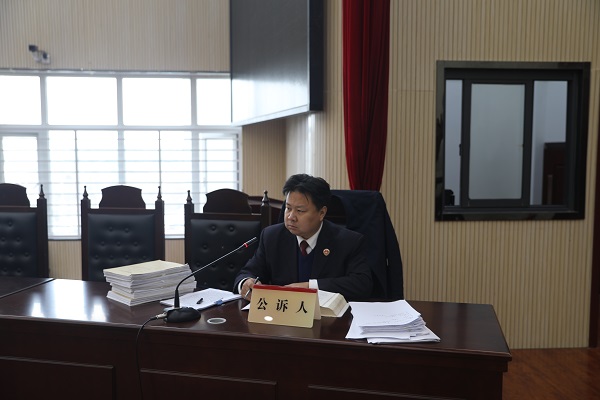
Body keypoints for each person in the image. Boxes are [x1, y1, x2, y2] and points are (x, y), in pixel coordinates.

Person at [233, 174, 373, 301]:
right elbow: (248, 272)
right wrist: (245, 282)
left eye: (300, 211)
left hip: (328, 318)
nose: (291, 217)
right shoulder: (272, 237)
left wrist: (310, 287)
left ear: (321, 213)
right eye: (288, 208)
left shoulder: (348, 241)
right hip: (283, 316)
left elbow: (362, 284)